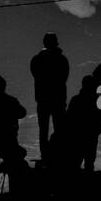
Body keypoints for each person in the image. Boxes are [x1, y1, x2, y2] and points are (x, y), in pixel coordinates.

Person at [30, 32, 70, 161]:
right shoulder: (61, 59)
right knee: (58, 130)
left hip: (44, 100)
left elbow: (36, 74)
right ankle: (57, 155)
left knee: (45, 131)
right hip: (56, 100)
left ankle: (47, 155)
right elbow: (63, 77)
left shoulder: (37, 59)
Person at [64, 75, 101, 172]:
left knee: (77, 164)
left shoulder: (76, 100)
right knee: (87, 164)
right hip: (87, 137)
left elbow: (68, 119)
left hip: (79, 137)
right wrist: (95, 131)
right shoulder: (98, 101)